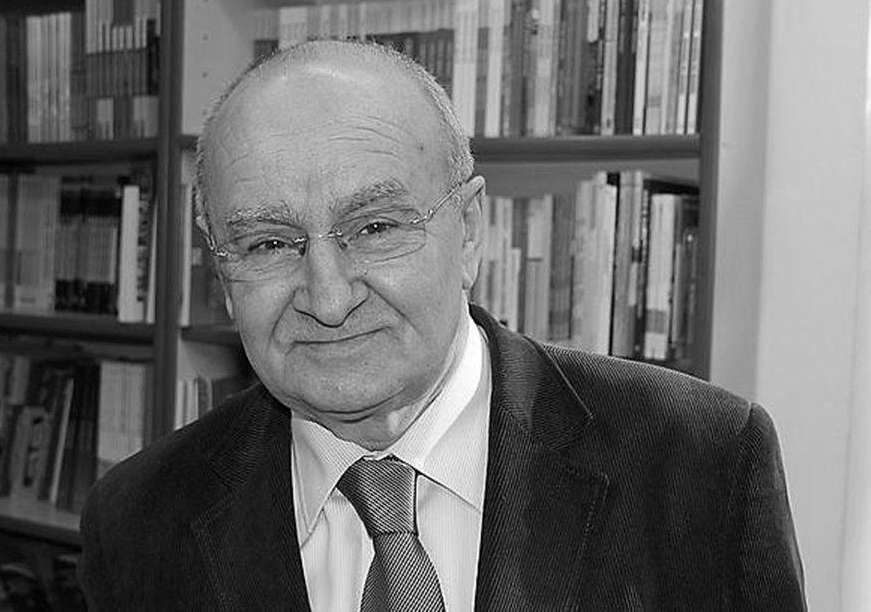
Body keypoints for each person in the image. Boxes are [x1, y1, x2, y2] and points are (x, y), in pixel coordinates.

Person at [78, 39, 806, 611]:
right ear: (221, 273)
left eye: (375, 227)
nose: (328, 298)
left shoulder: (702, 462)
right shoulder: (138, 521)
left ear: (470, 232)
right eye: (269, 243)